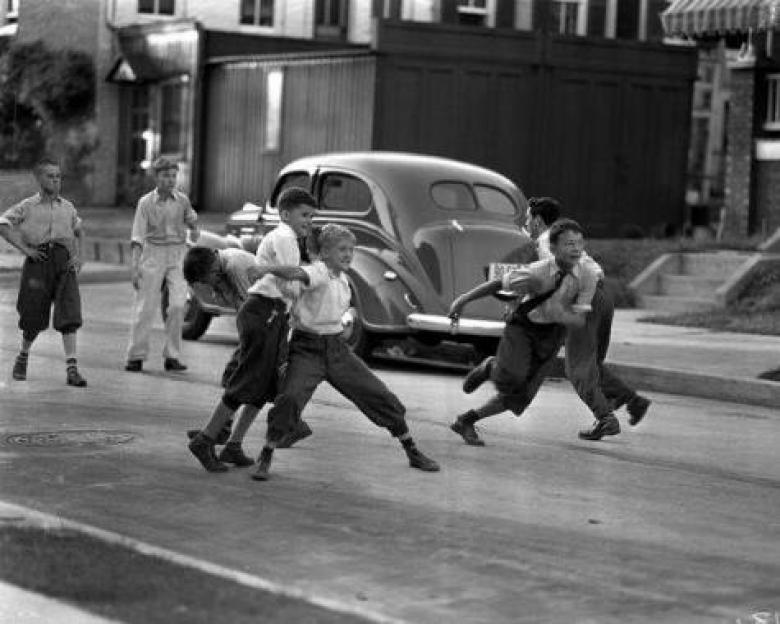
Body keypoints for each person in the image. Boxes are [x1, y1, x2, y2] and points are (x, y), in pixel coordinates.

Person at [247, 223, 440, 481]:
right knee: (290, 399)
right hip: (307, 350)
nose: (348, 254)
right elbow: (296, 272)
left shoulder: (343, 279)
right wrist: (266, 269)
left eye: (351, 249)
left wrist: (347, 318)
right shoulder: (319, 271)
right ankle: (267, 453)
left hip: (337, 350)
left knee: (379, 395)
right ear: (325, 253)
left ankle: (411, 449)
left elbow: (340, 308)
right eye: (342, 249)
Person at [462, 198, 651, 438]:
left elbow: (542, 279)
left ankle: (606, 418)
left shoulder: (546, 243)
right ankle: (631, 401)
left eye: (528, 219)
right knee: (589, 363)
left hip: (584, 301)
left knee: (577, 367)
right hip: (602, 298)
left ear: (537, 220)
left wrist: (515, 303)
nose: (525, 225)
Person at [187, 187, 316, 473]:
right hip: (265, 311)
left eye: (311, 216)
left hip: (272, 313)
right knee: (245, 381)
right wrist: (307, 293)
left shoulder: (284, 237)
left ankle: (233, 445)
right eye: (304, 215)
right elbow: (289, 279)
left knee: (262, 386)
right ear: (285, 214)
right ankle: (205, 439)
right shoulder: (285, 237)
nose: (309, 221)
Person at [448, 219, 603, 445]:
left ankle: (466, 421)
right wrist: (462, 300)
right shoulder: (537, 272)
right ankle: (492, 367)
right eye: (569, 244)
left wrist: (564, 316)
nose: (576, 249)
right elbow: (498, 284)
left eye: (580, 243)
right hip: (523, 328)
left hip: (553, 335)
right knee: (512, 377)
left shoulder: (588, 275)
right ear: (553, 249)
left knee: (520, 397)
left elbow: (579, 319)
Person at [0, 158, 87, 387]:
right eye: (50, 176)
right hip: (38, 262)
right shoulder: (27, 206)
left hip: (64, 263)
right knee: (32, 314)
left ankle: (72, 369)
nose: (56, 180)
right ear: (39, 179)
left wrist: (80, 256)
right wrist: (25, 249)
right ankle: (23, 356)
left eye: (58, 176)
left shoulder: (67, 207)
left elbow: (79, 231)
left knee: (69, 311)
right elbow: (3, 224)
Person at [125, 157, 200, 373]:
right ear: (156, 177)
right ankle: (135, 356)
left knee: (178, 305)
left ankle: (172, 356)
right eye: (166, 176)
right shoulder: (145, 203)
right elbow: (137, 237)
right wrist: (135, 267)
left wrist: (194, 226)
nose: (171, 180)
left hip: (177, 254)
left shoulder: (183, 201)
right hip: (153, 253)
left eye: (174, 176)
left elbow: (195, 231)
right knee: (145, 306)